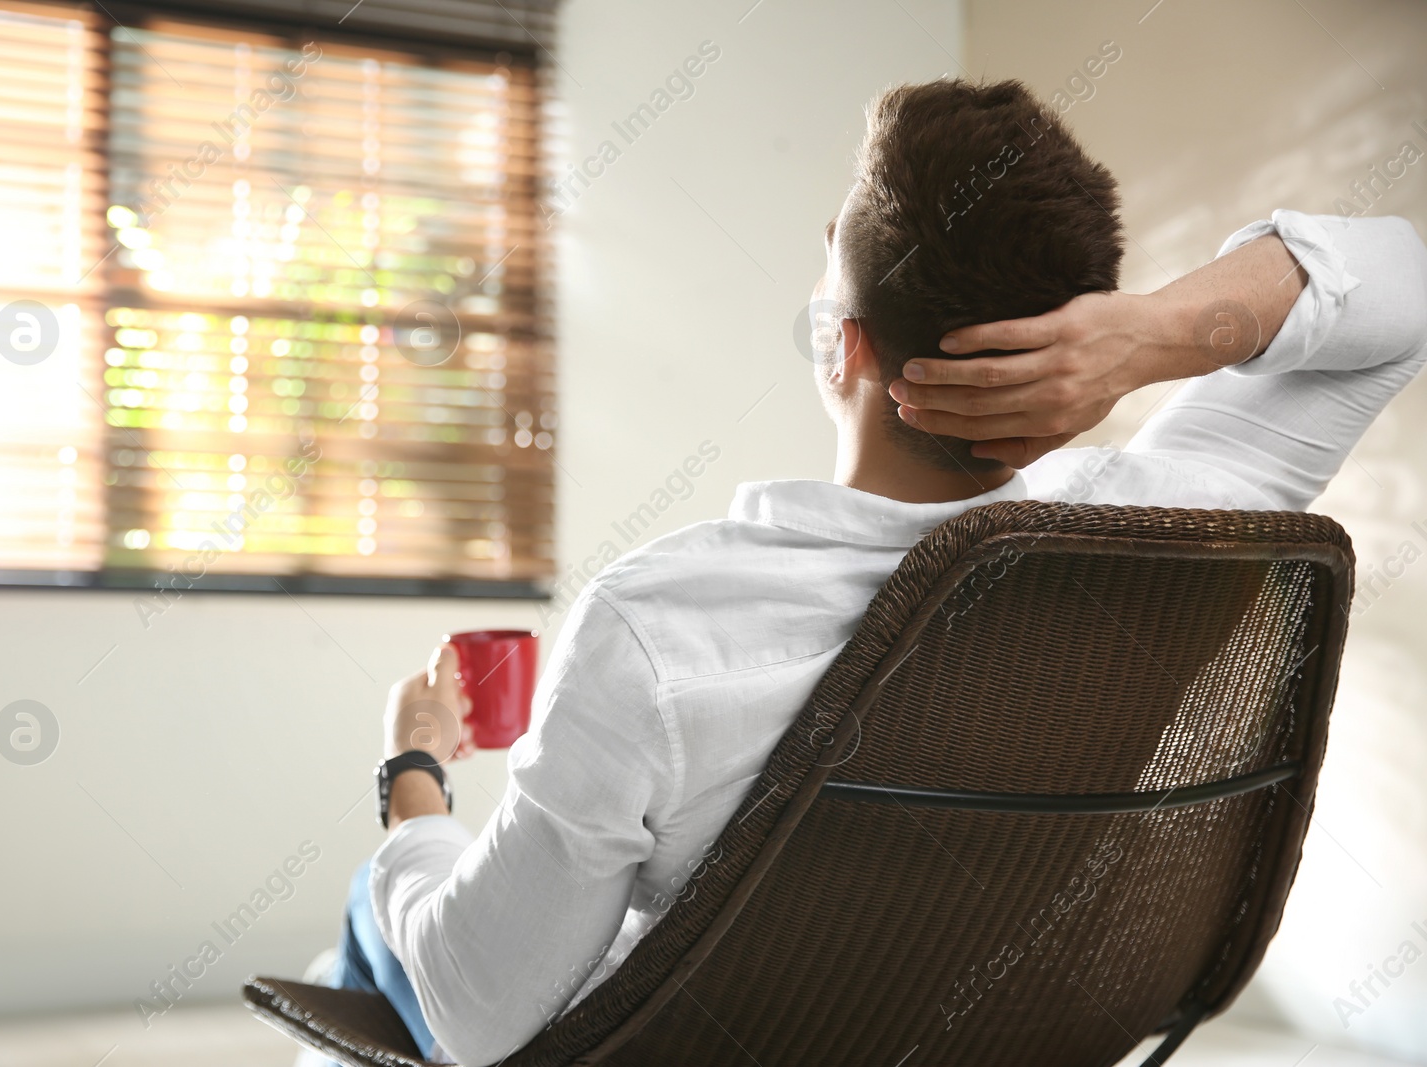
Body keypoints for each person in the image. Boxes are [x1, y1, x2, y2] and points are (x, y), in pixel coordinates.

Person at [319, 78, 1427, 1065]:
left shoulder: (660, 623)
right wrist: (1145, 337)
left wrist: (413, 774)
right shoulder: (1159, 535)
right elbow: (1402, 282)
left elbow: (476, 1016)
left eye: (831, 236)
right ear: (1073, 352)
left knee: (382, 913)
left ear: (842, 344)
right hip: (980, 1022)